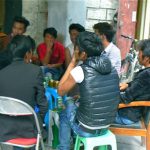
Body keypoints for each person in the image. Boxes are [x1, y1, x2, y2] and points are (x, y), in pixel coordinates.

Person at [57, 31, 120, 150]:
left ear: (83, 53)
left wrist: (73, 62)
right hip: (106, 125)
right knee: (77, 101)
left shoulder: (81, 70)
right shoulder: (112, 68)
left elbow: (60, 91)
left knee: (66, 107)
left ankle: (63, 147)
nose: (75, 51)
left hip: (87, 129)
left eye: (76, 49)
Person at [0, 35, 48, 150]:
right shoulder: (36, 71)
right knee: (39, 131)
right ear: (28, 53)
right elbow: (43, 104)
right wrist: (39, 121)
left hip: (4, 130)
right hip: (28, 131)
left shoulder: (1, 73)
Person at [115, 39, 150, 125]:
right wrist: (127, 85)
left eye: (139, 53)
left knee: (92, 113)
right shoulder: (147, 73)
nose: (138, 56)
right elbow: (140, 86)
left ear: (146, 58)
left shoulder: (146, 75)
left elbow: (126, 97)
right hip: (134, 113)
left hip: (126, 115)